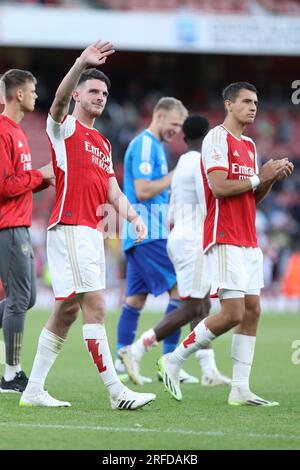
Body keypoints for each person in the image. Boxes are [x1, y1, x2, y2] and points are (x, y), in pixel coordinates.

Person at [20, 40, 155, 410]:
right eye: (93, 91)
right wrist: (81, 62)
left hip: (90, 232)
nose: (100, 96)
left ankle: (33, 390)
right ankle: (117, 392)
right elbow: (58, 101)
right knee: (95, 306)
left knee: (65, 311)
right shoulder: (63, 128)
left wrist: (132, 217)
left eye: (105, 93)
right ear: (78, 95)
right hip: (71, 226)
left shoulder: (103, 142)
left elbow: (112, 189)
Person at [157, 82, 294, 406]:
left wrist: (270, 178)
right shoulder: (216, 139)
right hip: (223, 236)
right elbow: (219, 186)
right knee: (232, 313)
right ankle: (173, 360)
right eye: (246, 101)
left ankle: (240, 388)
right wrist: (260, 176)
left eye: (256, 102)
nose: (253, 107)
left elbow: (252, 196)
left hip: (247, 238)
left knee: (253, 310)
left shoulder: (248, 144)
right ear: (229, 105)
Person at [119, 116, 230, 387]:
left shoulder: (182, 162)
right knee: (191, 305)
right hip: (193, 240)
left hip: (181, 235)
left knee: (202, 305)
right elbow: (212, 201)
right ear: (207, 137)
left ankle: (208, 369)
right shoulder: (200, 163)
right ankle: (137, 350)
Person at [117, 97, 199, 385]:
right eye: (174, 124)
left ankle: (120, 358)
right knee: (181, 294)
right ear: (160, 116)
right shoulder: (146, 144)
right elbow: (141, 190)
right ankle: (170, 358)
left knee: (135, 300)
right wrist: (175, 176)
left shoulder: (157, 148)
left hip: (140, 235)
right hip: (148, 234)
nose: (176, 131)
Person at [0, 69, 54, 393]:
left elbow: (17, 185)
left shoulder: (17, 132)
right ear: (18, 94)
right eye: (32, 90)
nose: (36, 95)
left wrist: (37, 179)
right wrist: (40, 175)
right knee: (19, 298)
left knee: (28, 297)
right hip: (7, 225)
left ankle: (11, 372)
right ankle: (11, 374)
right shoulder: (3, 131)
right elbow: (5, 186)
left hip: (17, 223)